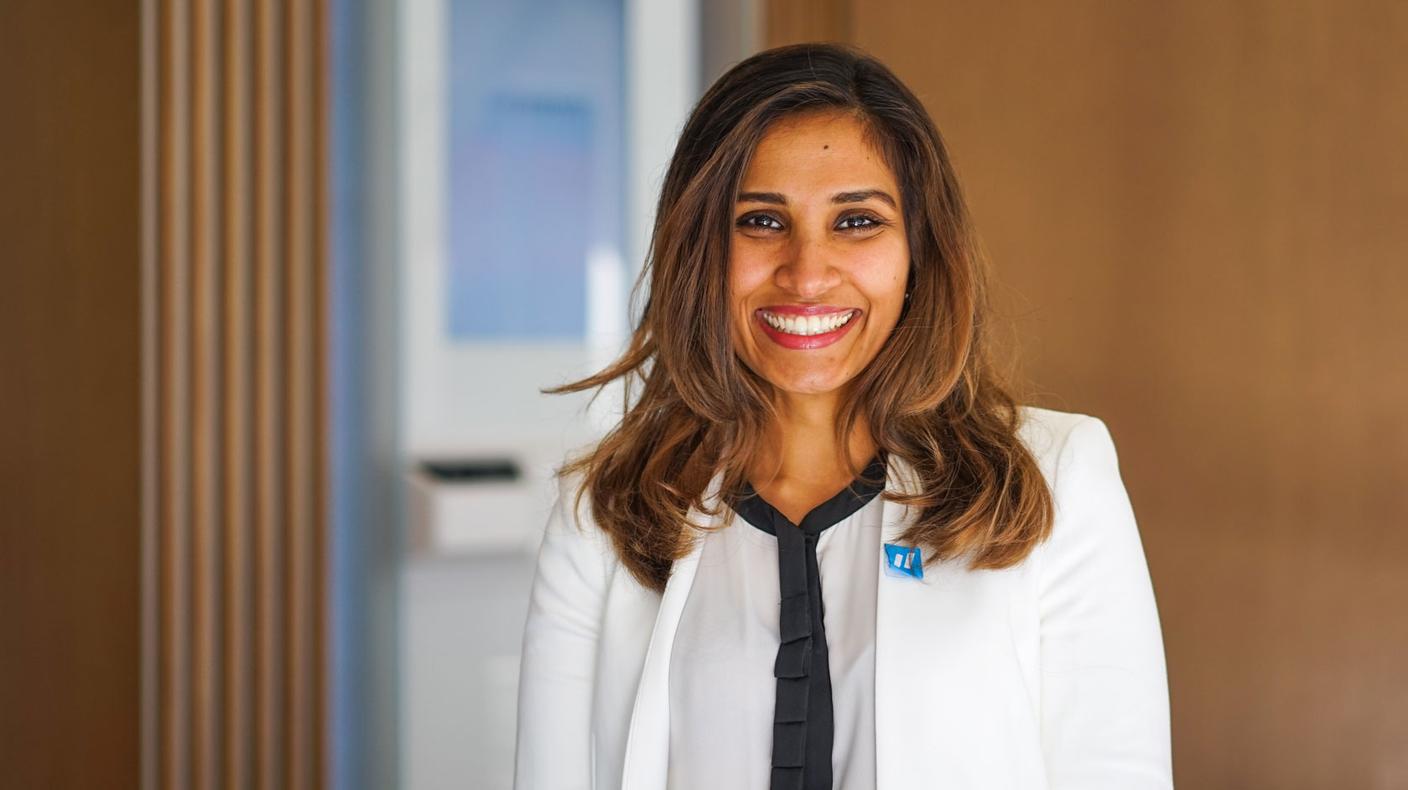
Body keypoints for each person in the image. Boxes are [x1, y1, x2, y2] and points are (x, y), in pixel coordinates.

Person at [514, 42, 1171, 790]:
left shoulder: (1055, 478)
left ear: (919, 250)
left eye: (857, 221)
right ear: (699, 248)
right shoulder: (602, 515)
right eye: (761, 221)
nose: (808, 273)